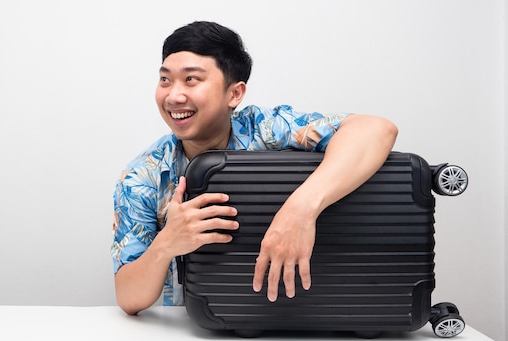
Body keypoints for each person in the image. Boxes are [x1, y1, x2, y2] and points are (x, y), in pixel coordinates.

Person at [111, 21, 398, 315]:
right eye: (165, 80)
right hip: (207, 326)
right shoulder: (142, 176)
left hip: (307, 315)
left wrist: (301, 209)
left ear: (234, 94)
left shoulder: (267, 129)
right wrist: (166, 244)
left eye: (192, 80)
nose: (173, 96)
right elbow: (129, 298)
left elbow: (376, 129)